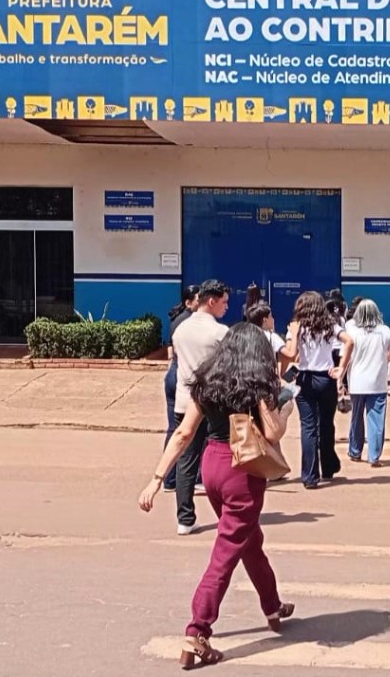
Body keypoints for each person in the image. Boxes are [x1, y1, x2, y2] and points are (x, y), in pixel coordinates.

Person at [138, 323, 296, 667]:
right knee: (225, 553)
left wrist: (156, 479)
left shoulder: (208, 380)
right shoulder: (256, 385)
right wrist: (286, 409)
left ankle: (272, 605)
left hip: (211, 465)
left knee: (248, 541)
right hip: (243, 470)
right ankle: (197, 632)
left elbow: (183, 433)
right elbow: (272, 432)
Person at [171, 280, 231, 535]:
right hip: (214, 403)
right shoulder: (221, 333)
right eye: (224, 302)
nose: (227, 307)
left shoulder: (180, 330)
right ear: (211, 301)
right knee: (222, 455)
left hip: (185, 400)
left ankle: (184, 518)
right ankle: (229, 511)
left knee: (187, 460)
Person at [283, 291, 354, 489]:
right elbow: (349, 341)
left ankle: (309, 476)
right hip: (326, 377)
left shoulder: (297, 327)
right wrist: (342, 368)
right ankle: (329, 466)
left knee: (308, 426)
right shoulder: (330, 325)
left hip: (305, 378)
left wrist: (295, 334)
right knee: (326, 423)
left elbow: (293, 354)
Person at [342, 299, 390, 467]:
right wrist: (386, 357)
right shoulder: (384, 331)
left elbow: (344, 353)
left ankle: (355, 450)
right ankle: (374, 456)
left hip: (356, 383)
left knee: (356, 418)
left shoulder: (350, 329)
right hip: (377, 383)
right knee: (376, 420)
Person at [162, 284, 200, 491]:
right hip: (183, 377)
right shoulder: (190, 322)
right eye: (198, 299)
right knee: (192, 429)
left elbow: (170, 351)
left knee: (174, 428)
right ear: (189, 302)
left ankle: (169, 479)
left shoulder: (177, 320)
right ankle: (193, 478)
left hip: (173, 374)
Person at [245, 301, 289, 369]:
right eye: (271, 316)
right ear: (265, 320)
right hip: (266, 375)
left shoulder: (246, 335)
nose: (273, 319)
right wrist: (292, 334)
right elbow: (289, 354)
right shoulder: (272, 337)